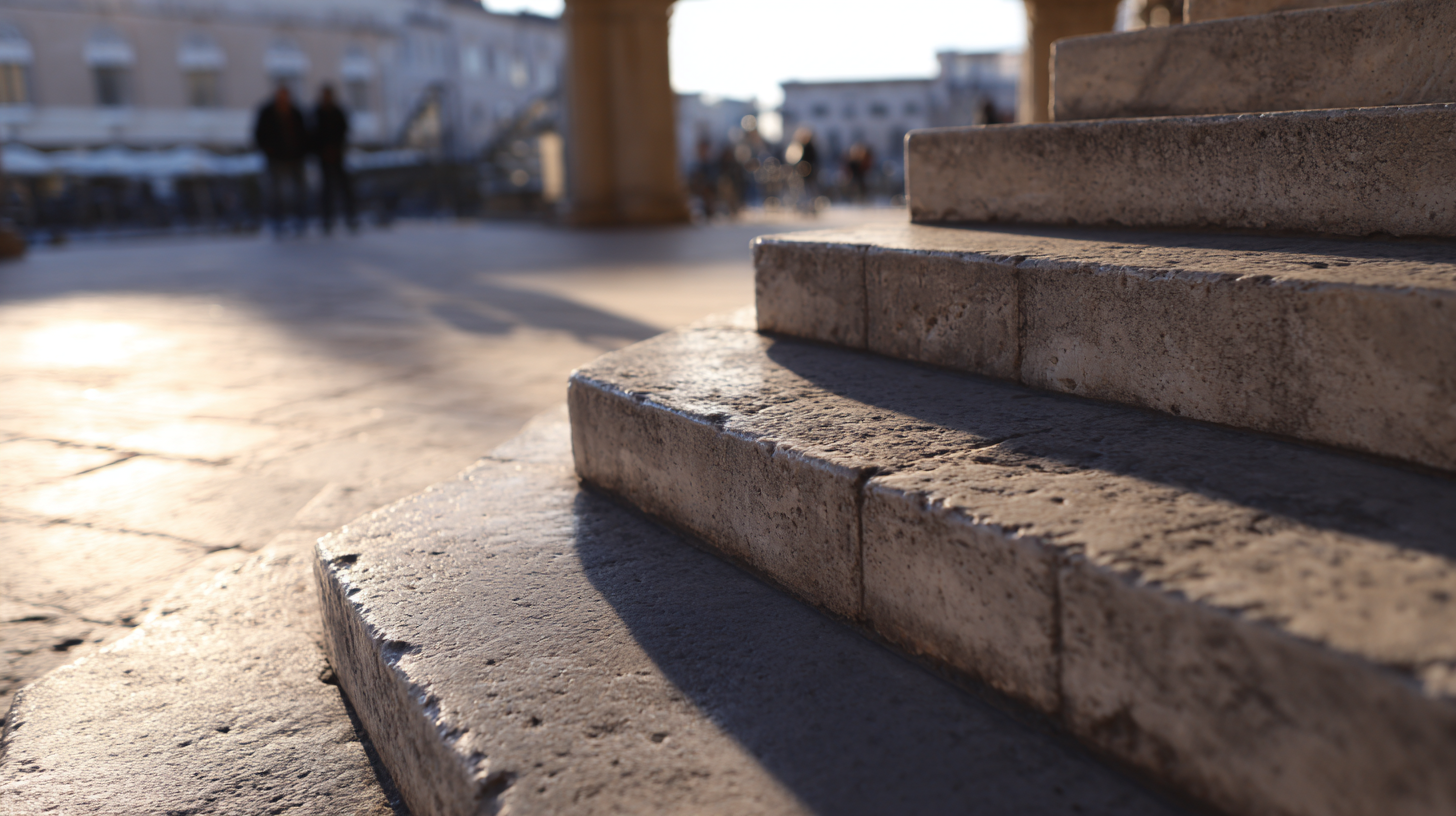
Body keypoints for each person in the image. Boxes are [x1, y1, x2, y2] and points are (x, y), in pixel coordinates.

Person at [253, 85, 309, 236]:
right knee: (276, 192)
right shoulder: (267, 113)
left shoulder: (295, 112)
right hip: (276, 158)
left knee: (299, 191)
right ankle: (278, 221)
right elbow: (258, 133)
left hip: (295, 157)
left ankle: (300, 219)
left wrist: (302, 151)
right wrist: (268, 150)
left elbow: (304, 134)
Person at [313, 85, 358, 234]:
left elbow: (344, 131)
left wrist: (336, 149)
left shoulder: (337, 112)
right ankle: (327, 220)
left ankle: (350, 217)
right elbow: (313, 134)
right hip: (324, 157)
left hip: (338, 156)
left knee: (344, 188)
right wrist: (322, 150)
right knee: (327, 189)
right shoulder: (318, 113)